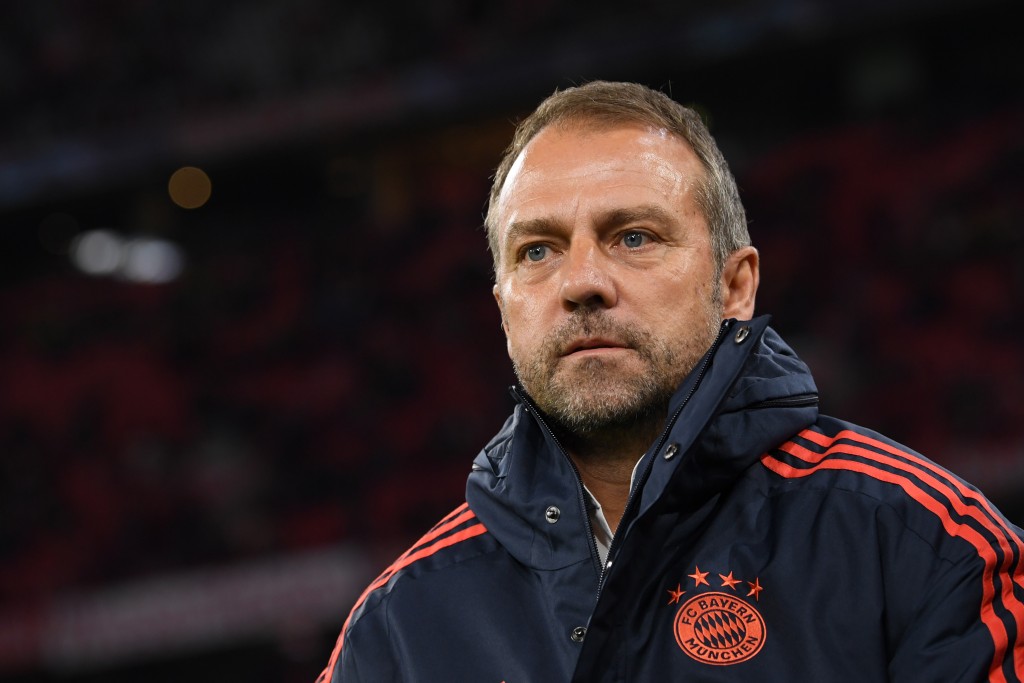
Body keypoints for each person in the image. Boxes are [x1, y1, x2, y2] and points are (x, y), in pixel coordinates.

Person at [317, 81, 1024, 682]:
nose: (583, 282)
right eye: (538, 250)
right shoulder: (396, 630)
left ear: (734, 284)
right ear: (503, 306)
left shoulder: (925, 546)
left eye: (633, 236)